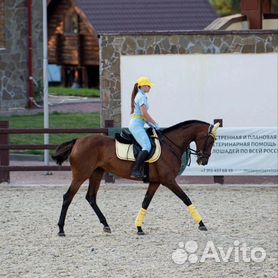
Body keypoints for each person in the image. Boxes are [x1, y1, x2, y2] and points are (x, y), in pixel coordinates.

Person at [129, 76, 160, 178]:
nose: (150, 88)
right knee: (147, 146)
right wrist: (155, 123)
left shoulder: (141, 95)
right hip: (136, 125)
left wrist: (151, 124)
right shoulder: (141, 96)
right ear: (143, 86)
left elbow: (144, 117)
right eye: (148, 86)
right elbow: (144, 113)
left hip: (139, 124)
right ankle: (136, 170)